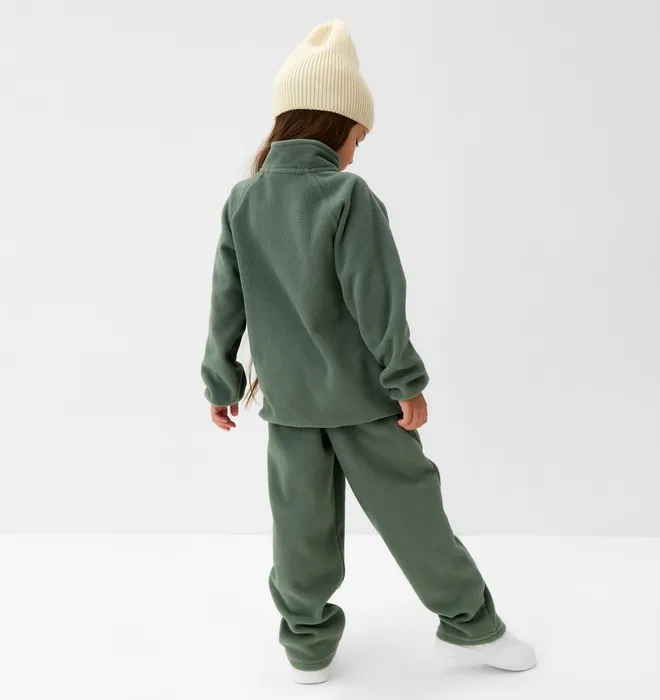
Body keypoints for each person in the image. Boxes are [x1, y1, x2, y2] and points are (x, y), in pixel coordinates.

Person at [200, 18, 537, 685]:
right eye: (358, 136)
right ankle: (470, 627)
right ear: (335, 124)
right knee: (414, 513)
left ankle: (307, 648)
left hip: (289, 405)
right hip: (362, 401)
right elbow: (376, 299)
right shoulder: (347, 196)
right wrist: (406, 380)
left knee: (300, 529)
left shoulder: (244, 200)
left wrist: (221, 381)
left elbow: (225, 301)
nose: (357, 152)